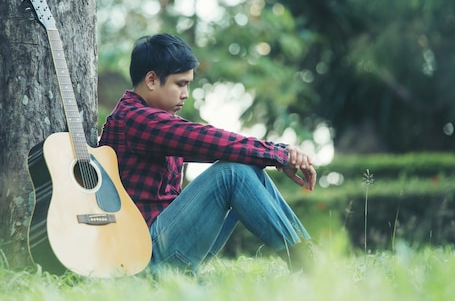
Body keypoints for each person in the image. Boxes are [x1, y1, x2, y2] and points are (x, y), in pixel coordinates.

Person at [98, 33, 317, 273]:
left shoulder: (154, 122)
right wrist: (281, 154)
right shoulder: (136, 120)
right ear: (151, 80)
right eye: (180, 84)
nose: (186, 93)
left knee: (247, 166)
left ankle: (309, 255)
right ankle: (306, 266)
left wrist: (280, 153)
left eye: (188, 85)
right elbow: (213, 142)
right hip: (146, 254)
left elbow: (225, 147)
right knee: (232, 173)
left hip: (168, 243)